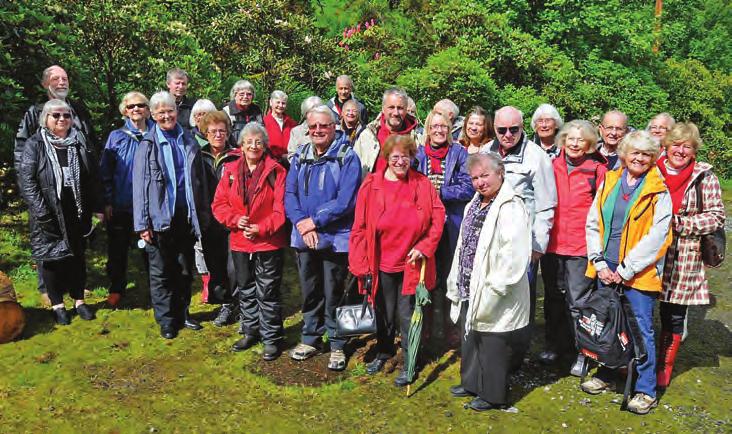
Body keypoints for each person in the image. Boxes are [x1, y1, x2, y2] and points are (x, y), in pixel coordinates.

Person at [582, 130, 672, 415]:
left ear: (653, 158)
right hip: (605, 269)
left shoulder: (659, 190)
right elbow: (593, 221)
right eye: (635, 152)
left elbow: (658, 237)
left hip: (638, 274)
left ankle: (646, 389)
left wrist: (626, 269)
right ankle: (608, 374)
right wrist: (598, 262)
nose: (640, 158)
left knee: (640, 330)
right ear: (624, 154)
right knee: (609, 326)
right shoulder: (609, 180)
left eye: (646, 154)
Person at [349, 134, 445, 386]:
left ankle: (410, 361)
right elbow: (359, 228)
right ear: (386, 158)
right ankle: (384, 351)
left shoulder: (422, 184)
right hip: (380, 262)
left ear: (412, 157)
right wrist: (360, 265)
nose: (401, 161)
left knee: (408, 315)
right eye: (395, 157)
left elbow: (438, 218)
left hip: (412, 263)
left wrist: (425, 246)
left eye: (405, 156)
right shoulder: (371, 185)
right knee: (382, 311)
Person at [446, 152, 532, 411]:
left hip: (494, 283)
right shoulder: (476, 201)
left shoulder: (511, 205)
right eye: (474, 178)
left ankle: (492, 394)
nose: (480, 182)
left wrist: (498, 285)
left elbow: (513, 253)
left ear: (500, 173)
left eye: (485, 175)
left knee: (492, 340)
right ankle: (471, 383)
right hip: (471, 279)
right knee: (471, 334)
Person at [285, 105, 362, 371]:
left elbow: (345, 201)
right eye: (313, 127)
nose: (318, 131)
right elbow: (290, 194)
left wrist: (314, 222)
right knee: (310, 289)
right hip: (304, 236)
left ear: (333, 127)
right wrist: (303, 225)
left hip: (335, 237)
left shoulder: (347, 157)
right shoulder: (301, 155)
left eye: (323, 126)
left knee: (334, 292)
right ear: (308, 129)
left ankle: (338, 344)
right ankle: (311, 337)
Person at [14, 65, 96, 305]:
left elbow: (91, 144)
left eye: (65, 78)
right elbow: (21, 154)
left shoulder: (78, 110)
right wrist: (30, 194)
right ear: (44, 84)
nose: (61, 82)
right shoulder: (33, 112)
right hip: (45, 190)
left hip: (76, 189)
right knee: (47, 238)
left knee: (75, 238)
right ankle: (48, 290)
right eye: (55, 78)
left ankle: (75, 287)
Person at [132, 91, 211, 339]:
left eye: (170, 111)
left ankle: (183, 313)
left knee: (185, 269)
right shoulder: (147, 144)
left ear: (176, 113)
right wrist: (142, 224)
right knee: (161, 272)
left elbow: (199, 181)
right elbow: (139, 186)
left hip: (185, 217)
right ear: (153, 116)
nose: (167, 116)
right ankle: (166, 320)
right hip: (158, 220)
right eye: (161, 112)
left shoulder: (188, 140)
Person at [656, 122, 725, 389]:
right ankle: (636, 358)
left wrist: (681, 224)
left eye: (687, 146)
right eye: (676, 144)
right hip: (649, 251)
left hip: (684, 254)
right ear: (666, 145)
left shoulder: (705, 177)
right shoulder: (653, 167)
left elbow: (717, 216)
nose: (680, 151)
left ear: (694, 150)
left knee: (673, 313)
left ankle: (664, 366)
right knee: (638, 307)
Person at [212, 123, 288, 360]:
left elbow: (281, 208)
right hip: (239, 241)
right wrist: (235, 220)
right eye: (249, 142)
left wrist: (261, 228)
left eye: (258, 142)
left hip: (268, 241)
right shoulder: (231, 171)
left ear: (265, 145)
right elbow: (219, 204)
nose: (254, 146)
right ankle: (250, 330)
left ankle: (271, 337)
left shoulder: (276, 171)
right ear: (241, 146)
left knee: (267, 291)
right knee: (245, 289)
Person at [538, 120, 607, 374]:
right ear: (563, 141)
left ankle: (583, 351)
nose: (575, 144)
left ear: (589, 144)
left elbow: (603, 212)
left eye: (581, 139)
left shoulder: (597, 170)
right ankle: (553, 345)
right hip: (552, 244)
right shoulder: (550, 166)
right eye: (571, 138)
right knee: (553, 298)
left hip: (581, 247)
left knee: (579, 302)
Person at [483, 106, 556, 326]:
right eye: (502, 129)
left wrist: (537, 245)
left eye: (513, 129)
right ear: (494, 128)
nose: (507, 135)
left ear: (522, 127)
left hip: (522, 242)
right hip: (491, 238)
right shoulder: (486, 151)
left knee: (520, 299)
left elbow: (546, 204)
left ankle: (517, 349)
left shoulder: (537, 157)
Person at [414, 110, 474, 344]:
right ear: (427, 129)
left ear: (450, 130)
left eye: (444, 127)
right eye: (434, 126)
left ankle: (451, 326)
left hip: (451, 225)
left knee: (451, 275)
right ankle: (425, 324)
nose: (439, 131)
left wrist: (437, 192)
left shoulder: (459, 153)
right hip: (424, 226)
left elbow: (467, 187)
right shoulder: (418, 154)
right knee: (426, 275)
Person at [100, 91, 154, 306]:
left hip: (150, 205)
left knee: (151, 250)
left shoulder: (156, 133)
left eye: (140, 105)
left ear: (148, 110)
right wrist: (107, 201)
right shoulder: (116, 136)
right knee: (117, 249)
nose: (136, 109)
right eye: (131, 106)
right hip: (122, 203)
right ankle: (116, 287)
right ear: (125, 110)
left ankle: (156, 288)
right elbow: (105, 171)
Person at [197, 111, 239, 323]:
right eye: (212, 131)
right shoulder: (198, 156)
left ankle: (238, 303)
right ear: (205, 133)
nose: (217, 135)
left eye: (222, 130)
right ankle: (225, 303)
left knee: (234, 266)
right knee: (215, 264)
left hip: (232, 220)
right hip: (208, 219)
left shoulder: (237, 156)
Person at [354, 88, 419, 176]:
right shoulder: (368, 136)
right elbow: (354, 170)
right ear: (383, 109)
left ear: (406, 110)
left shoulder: (417, 138)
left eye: (400, 108)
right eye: (391, 107)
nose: (396, 113)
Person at [224, 80, 264, 145]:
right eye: (241, 94)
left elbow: (262, 133)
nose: (245, 97)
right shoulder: (227, 112)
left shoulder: (257, 111)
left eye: (249, 94)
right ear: (235, 95)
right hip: (234, 151)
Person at [263, 90, 297, 162]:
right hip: (270, 162)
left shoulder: (292, 124)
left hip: (289, 163)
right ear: (271, 103)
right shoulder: (263, 123)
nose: (280, 106)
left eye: (283, 103)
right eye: (278, 102)